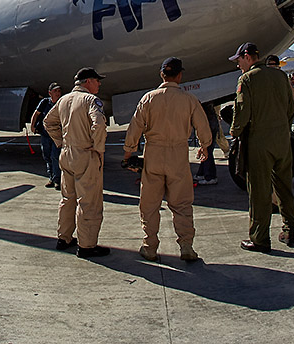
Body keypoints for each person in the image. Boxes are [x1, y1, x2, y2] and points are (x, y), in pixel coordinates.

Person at [122, 57, 211, 262]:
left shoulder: (148, 98)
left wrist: (128, 153)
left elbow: (135, 127)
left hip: (153, 154)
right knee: (181, 203)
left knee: (150, 204)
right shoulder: (189, 100)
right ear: (180, 75)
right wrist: (205, 146)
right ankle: (186, 246)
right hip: (178, 156)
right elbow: (202, 125)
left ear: (162, 75)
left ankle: (150, 245)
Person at [228, 42, 294, 252]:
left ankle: (259, 238)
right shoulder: (280, 76)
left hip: (260, 142)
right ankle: (289, 229)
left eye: (239, 60)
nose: (238, 65)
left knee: (259, 191)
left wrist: (234, 132)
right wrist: (283, 127)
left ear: (248, 57)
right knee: (284, 187)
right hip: (282, 140)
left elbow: (242, 112)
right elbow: (291, 106)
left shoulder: (247, 79)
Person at [44, 67, 109, 258]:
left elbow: (48, 122)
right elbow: (98, 123)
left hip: (66, 154)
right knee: (88, 201)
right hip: (85, 154)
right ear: (87, 81)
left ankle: (64, 238)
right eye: (97, 80)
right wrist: (98, 147)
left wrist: (60, 142)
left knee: (67, 198)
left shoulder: (63, 100)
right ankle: (87, 246)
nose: (99, 84)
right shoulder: (90, 100)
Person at [30, 83, 63, 189]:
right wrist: (32, 126)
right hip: (45, 135)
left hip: (57, 135)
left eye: (59, 91)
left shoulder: (62, 103)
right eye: (55, 91)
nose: (58, 93)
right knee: (47, 156)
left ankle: (57, 180)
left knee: (55, 157)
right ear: (50, 93)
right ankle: (51, 178)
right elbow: (36, 114)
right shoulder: (44, 102)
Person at [194, 100, 220, 186]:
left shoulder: (201, 103)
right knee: (207, 150)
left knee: (207, 151)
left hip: (208, 127)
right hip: (211, 125)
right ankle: (201, 173)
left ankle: (210, 176)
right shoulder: (206, 101)